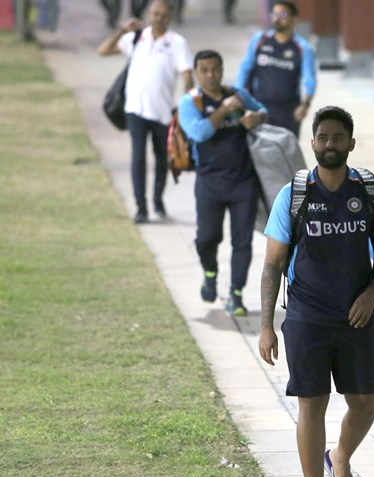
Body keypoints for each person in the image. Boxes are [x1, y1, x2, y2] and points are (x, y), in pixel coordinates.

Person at [258, 106, 374, 477]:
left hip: (355, 317)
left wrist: (372, 293)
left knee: (365, 402)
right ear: (313, 143)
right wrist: (267, 325)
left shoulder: (371, 191)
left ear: (351, 144)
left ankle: (340, 456)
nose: (331, 145)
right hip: (306, 318)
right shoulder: (295, 194)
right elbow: (272, 265)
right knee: (311, 407)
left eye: (339, 138)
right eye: (324, 138)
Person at [178, 50, 268, 316]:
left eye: (215, 69)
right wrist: (224, 110)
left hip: (243, 181)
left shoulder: (237, 93)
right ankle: (209, 272)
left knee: (242, 241)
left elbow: (262, 110)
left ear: (222, 68)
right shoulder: (190, 102)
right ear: (196, 73)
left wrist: (256, 117)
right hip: (209, 182)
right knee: (207, 238)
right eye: (204, 70)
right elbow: (199, 132)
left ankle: (236, 294)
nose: (211, 75)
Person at [98, 0, 193, 224]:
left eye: (163, 15)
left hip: (162, 111)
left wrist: (187, 107)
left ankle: (157, 200)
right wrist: (123, 29)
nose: (158, 18)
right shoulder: (137, 38)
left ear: (170, 17)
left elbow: (188, 76)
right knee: (138, 157)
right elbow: (103, 51)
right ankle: (141, 207)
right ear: (149, 14)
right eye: (155, 13)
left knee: (162, 158)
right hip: (135, 109)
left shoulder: (177, 43)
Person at [236, 0, 316, 138]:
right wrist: (239, 95)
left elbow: (309, 79)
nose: (277, 18)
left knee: (286, 151)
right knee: (258, 150)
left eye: (283, 15)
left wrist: (305, 105)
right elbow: (245, 68)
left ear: (294, 19)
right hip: (258, 106)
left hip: (288, 110)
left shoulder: (302, 48)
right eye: (274, 14)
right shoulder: (260, 40)